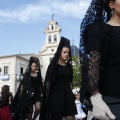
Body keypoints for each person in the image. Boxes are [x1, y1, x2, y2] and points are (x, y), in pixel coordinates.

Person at [80, 0, 120, 119]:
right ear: (111, 4)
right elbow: (93, 65)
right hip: (112, 99)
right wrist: (96, 98)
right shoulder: (99, 29)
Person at [40, 37, 77, 120]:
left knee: (71, 117)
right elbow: (48, 82)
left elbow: (70, 82)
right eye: (64, 52)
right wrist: (47, 98)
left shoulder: (69, 66)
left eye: (68, 52)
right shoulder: (53, 66)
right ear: (59, 52)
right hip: (55, 95)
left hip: (68, 94)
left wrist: (71, 94)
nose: (67, 54)